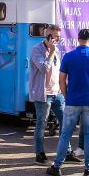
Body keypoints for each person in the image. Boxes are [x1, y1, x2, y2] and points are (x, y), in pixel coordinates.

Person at [47, 28, 89, 176]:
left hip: (73, 99)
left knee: (65, 133)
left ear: (78, 39)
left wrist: (67, 96)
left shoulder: (69, 56)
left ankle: (58, 165)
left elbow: (62, 79)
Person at [30, 25, 77, 165]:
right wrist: (50, 52)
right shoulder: (36, 50)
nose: (58, 39)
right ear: (48, 36)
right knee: (41, 123)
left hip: (57, 93)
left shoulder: (56, 50)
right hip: (43, 94)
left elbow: (58, 70)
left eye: (59, 36)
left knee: (65, 122)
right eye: (55, 36)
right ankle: (39, 153)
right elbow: (44, 68)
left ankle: (67, 152)